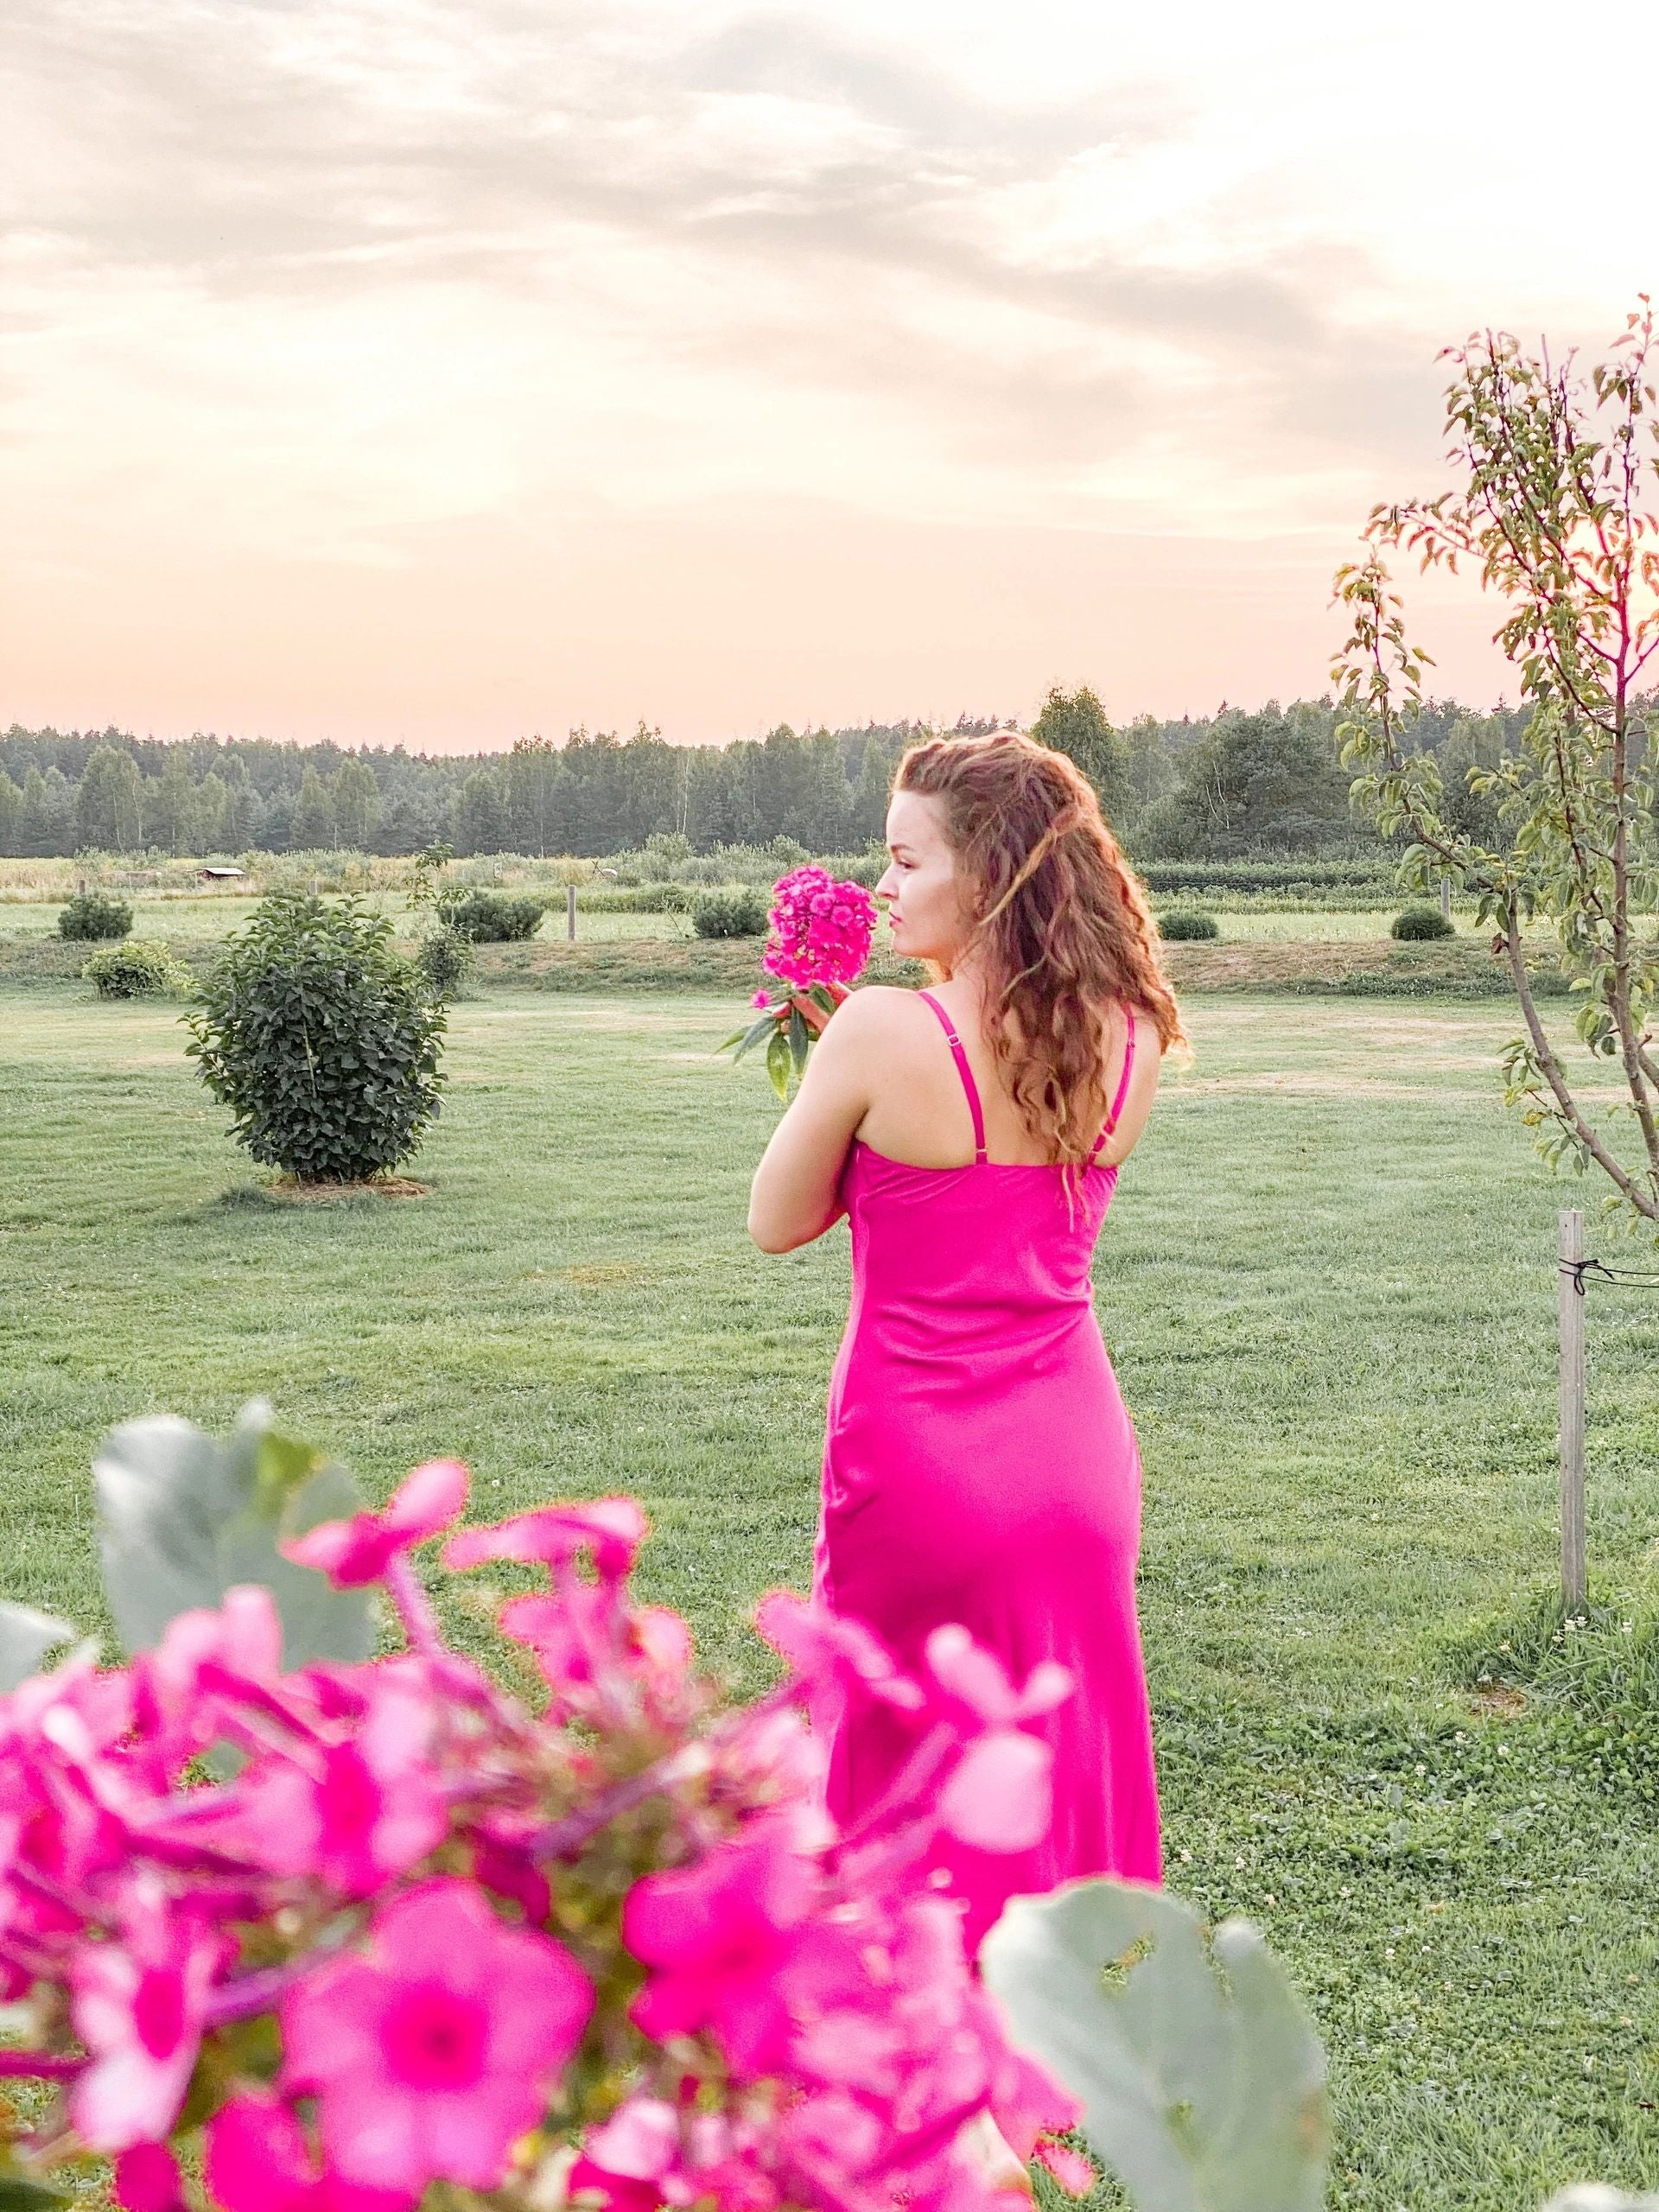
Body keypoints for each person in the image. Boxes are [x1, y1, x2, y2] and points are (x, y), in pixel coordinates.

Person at [748, 728, 1184, 1954]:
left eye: (905, 862)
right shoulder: (1133, 1030)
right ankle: (1029, 2018)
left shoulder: (884, 1031)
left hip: (921, 1457)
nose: (883, 889)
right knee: (1034, 1749)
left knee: (909, 1761)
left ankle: (925, 2049)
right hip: (1076, 1458)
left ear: (984, 875)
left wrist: (828, 1065)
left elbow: (775, 1221)